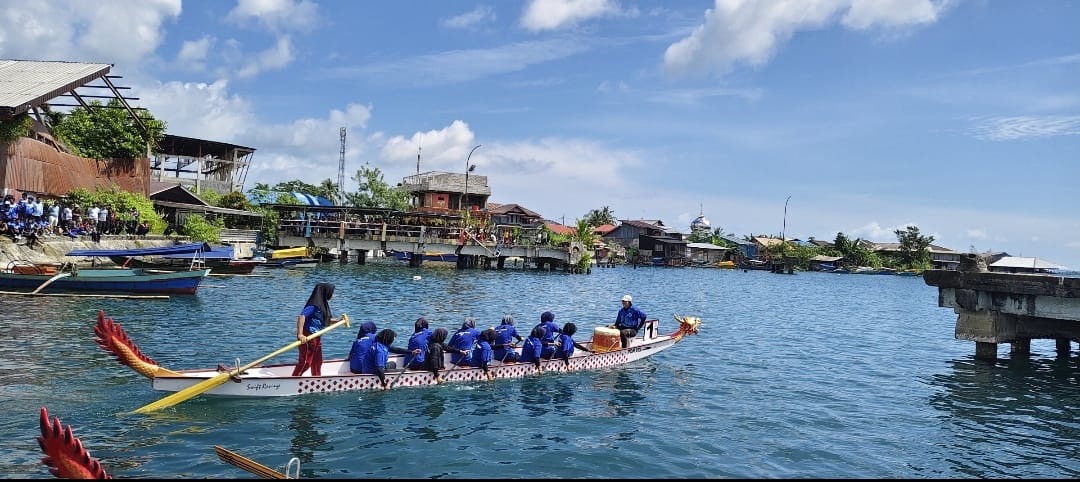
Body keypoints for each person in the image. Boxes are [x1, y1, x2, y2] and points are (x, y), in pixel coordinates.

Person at [292, 282, 338, 377]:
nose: (333, 295)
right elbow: (302, 316)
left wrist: (339, 321)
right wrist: (300, 334)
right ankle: (294, 378)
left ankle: (316, 378)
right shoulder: (314, 305)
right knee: (306, 362)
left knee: (317, 361)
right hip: (307, 336)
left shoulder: (322, 305)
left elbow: (324, 321)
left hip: (316, 337)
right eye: (332, 292)